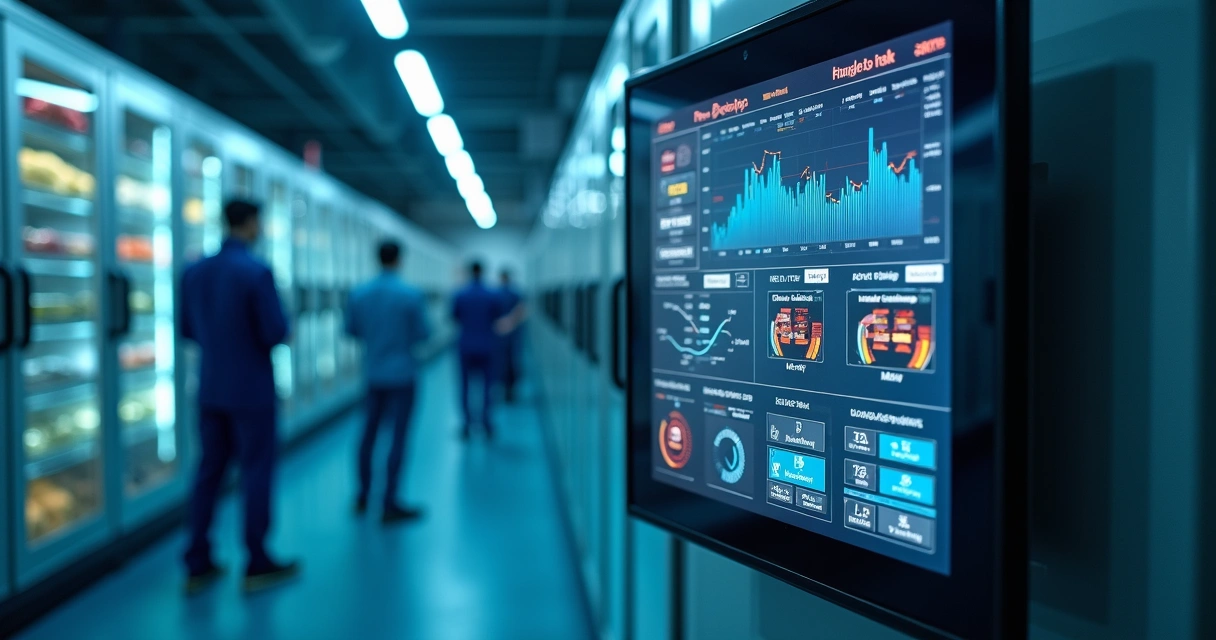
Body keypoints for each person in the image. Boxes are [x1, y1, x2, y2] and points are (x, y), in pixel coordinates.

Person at [180, 199, 298, 595]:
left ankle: (198, 560)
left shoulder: (194, 271)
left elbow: (187, 330)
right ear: (251, 224)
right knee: (256, 471)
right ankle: (257, 560)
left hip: (210, 388)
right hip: (252, 392)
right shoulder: (256, 272)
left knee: (208, 473)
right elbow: (275, 332)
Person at [345, 240, 431, 523]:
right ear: (399, 260)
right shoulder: (410, 295)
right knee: (398, 436)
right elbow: (423, 333)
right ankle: (389, 502)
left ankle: (362, 495)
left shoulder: (359, 294)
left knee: (367, 435)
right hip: (403, 375)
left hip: (372, 375)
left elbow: (352, 331)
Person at [452, 261, 507, 439]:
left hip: (466, 345)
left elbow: (455, 317)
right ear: (482, 272)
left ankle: (467, 424)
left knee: (465, 386)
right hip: (487, 345)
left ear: (469, 272)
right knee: (487, 386)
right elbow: (497, 317)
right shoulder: (492, 294)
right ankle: (486, 423)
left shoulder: (460, 294)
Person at [497, 270, 524, 403]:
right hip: (512, 333)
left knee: (501, 361)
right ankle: (511, 391)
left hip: (500, 334)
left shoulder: (496, 294)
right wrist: (511, 322)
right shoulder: (515, 293)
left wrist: (503, 324)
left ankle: (504, 389)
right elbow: (521, 310)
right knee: (512, 361)